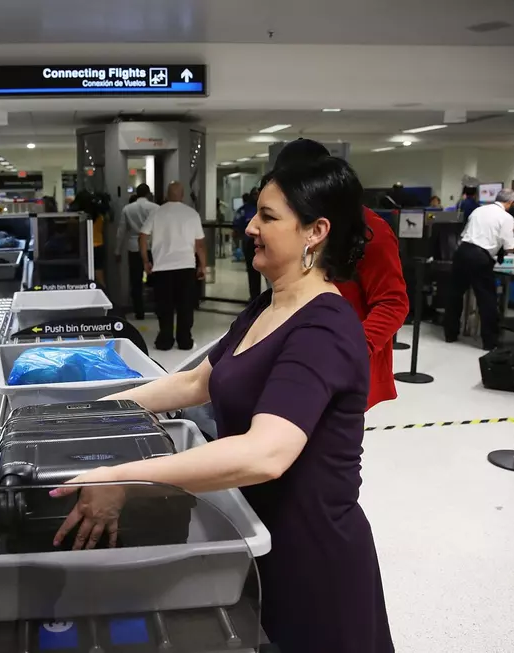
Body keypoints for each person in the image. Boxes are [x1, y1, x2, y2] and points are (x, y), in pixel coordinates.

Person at [50, 157, 393, 652]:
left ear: (315, 231)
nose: (250, 226)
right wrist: (91, 412)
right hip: (255, 535)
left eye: (268, 217)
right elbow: (194, 384)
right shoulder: (269, 304)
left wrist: (125, 477)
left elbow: (265, 454)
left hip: (312, 558)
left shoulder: (325, 328)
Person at [274, 139, 409, 409]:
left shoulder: (371, 230)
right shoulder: (301, 222)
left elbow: (393, 304)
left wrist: (349, 350)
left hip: (343, 363)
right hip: (302, 350)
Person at [444, 188, 514, 351]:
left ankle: (450, 334)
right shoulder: (506, 217)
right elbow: (509, 246)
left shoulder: (479, 210)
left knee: (454, 295)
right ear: (510, 203)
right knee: (486, 300)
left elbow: (465, 233)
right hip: (480, 258)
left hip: (462, 252)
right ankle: (489, 342)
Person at [139, 182, 206, 351]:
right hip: (186, 266)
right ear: (182, 195)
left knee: (164, 306)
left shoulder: (156, 212)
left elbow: (142, 237)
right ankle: (185, 340)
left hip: (162, 267)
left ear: (167, 195)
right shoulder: (192, 214)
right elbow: (199, 245)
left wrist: (146, 261)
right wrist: (202, 266)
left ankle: (165, 340)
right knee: (185, 305)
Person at [116, 184, 158, 319]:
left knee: (136, 281)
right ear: (148, 194)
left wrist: (117, 250)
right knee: (157, 279)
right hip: (153, 247)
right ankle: (158, 308)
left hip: (134, 247)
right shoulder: (156, 208)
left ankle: (139, 312)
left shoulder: (127, 209)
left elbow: (121, 231)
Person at [234, 190, 262, 300]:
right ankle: (255, 297)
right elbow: (237, 225)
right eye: (254, 194)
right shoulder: (244, 210)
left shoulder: (266, 208)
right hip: (250, 243)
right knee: (253, 271)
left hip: (269, 242)